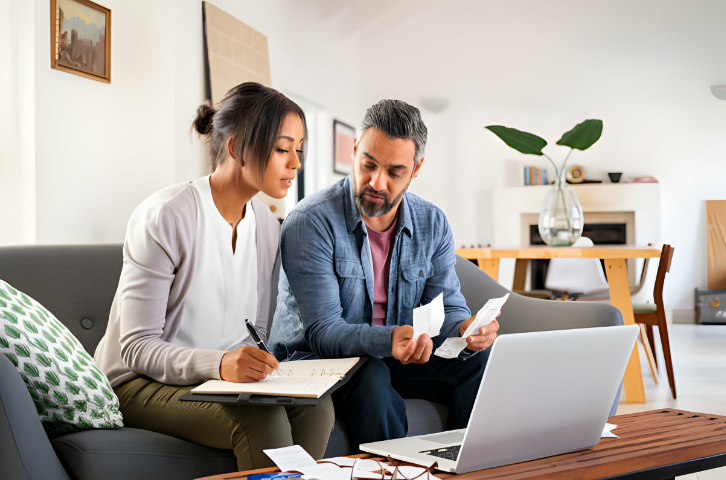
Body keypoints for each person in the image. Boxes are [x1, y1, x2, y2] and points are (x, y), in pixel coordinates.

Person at [94, 82, 335, 471]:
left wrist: (259, 367)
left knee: (317, 408)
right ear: (238, 148)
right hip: (138, 383)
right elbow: (136, 348)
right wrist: (221, 364)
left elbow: (252, 331)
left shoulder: (268, 227)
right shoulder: (166, 216)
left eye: (299, 150)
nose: (296, 163)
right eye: (282, 149)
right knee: (262, 418)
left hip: (218, 381)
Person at [270, 99, 500, 447]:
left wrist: (468, 330)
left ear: (416, 168)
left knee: (480, 363)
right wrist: (389, 341)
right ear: (354, 150)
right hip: (317, 361)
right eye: (368, 165)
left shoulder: (432, 222)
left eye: (394, 172)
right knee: (373, 374)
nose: (377, 182)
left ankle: (463, 467)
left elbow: (448, 308)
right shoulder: (311, 221)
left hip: (394, 354)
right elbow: (322, 332)